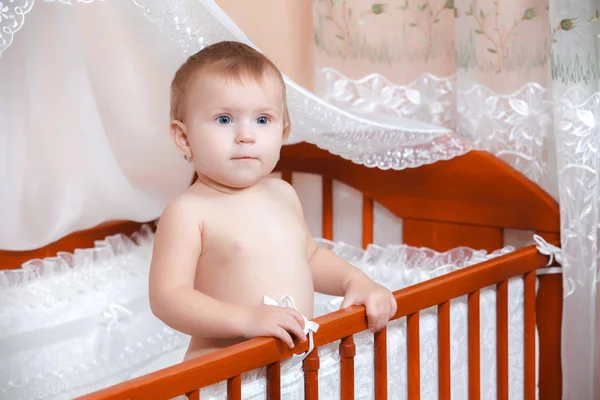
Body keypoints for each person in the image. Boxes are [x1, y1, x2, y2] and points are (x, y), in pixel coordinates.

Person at [148, 41, 397, 361]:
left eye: (262, 119)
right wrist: (247, 318)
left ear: (283, 131)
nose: (246, 135)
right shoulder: (188, 212)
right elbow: (168, 298)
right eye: (224, 119)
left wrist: (356, 280)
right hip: (227, 375)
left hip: (295, 370)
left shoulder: (283, 194)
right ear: (184, 138)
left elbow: (310, 258)